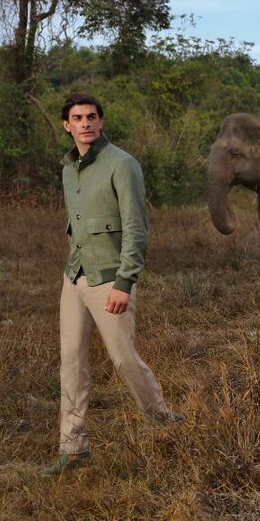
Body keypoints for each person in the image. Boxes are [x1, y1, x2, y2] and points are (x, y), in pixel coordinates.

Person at [41, 93, 182, 476]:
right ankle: (73, 449)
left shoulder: (123, 164)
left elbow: (136, 228)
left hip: (110, 281)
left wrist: (125, 281)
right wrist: (73, 273)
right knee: (71, 362)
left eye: (91, 117)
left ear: (101, 122)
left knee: (123, 359)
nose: (85, 123)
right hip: (74, 278)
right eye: (76, 118)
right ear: (66, 126)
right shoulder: (68, 169)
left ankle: (163, 419)